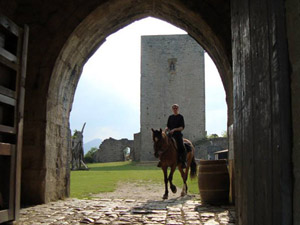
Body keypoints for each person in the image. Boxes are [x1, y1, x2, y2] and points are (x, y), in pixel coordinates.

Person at [165, 104, 187, 168]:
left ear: (178, 109)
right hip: (170, 135)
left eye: (176, 108)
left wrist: (174, 129)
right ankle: (163, 160)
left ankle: (183, 162)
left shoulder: (180, 117)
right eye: (174, 108)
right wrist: (166, 129)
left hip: (177, 135)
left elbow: (182, 127)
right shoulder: (170, 117)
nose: (175, 109)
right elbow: (168, 126)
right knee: (163, 144)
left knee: (182, 147)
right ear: (172, 109)